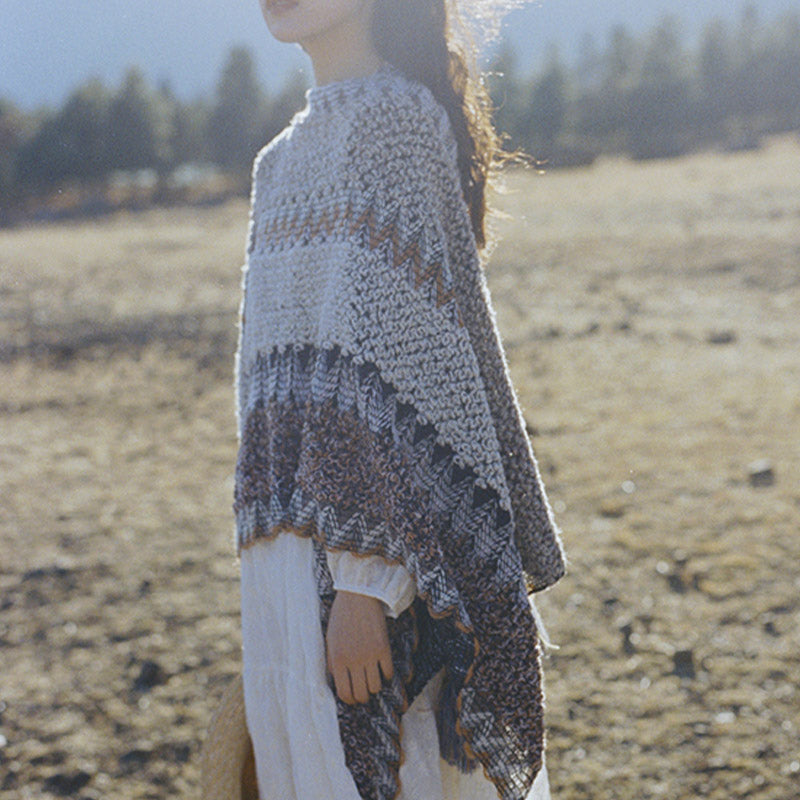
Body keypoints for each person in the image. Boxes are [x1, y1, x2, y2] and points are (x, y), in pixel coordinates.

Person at [233, 0, 568, 798]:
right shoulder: (277, 163)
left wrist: (365, 584)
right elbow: (285, 395)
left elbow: (406, 375)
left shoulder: (395, 124)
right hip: (282, 558)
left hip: (377, 565)